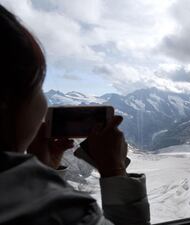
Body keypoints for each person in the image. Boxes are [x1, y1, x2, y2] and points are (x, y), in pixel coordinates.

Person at [0, 4, 150, 225]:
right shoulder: (69, 214)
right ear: (7, 101)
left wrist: (45, 173)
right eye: (38, 86)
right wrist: (114, 170)